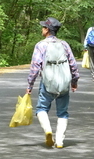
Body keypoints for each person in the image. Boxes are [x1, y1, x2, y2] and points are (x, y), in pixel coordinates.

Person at [26, 17, 79, 148]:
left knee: (41, 108)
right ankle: (60, 141)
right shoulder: (64, 44)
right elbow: (73, 64)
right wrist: (74, 81)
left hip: (48, 83)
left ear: (47, 30)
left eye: (43, 27)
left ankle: (48, 130)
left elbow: (35, 67)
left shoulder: (41, 45)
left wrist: (30, 85)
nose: (42, 29)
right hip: (64, 83)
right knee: (63, 112)